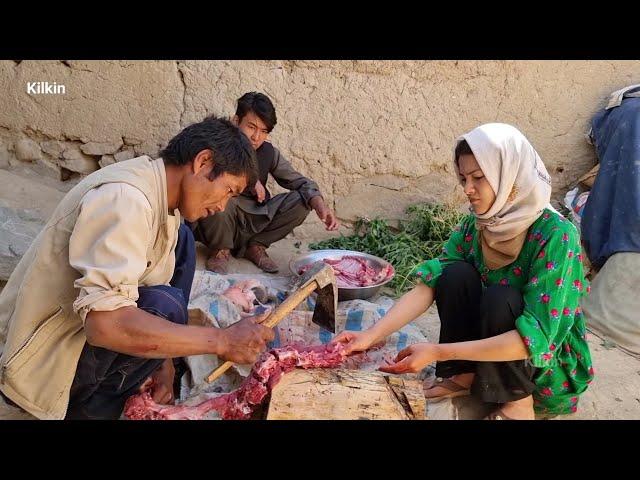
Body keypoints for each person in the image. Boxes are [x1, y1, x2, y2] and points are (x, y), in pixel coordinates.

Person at [0, 115, 275, 420]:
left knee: (181, 250)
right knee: (165, 306)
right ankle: (85, 411)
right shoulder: (126, 199)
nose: (223, 206)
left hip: (73, 336)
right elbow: (105, 324)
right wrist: (221, 341)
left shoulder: (164, 201)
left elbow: (151, 283)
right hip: (38, 363)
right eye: (228, 191)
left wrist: (164, 365)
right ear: (203, 162)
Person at [333, 123, 594, 420]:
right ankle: (464, 376)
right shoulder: (479, 224)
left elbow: (537, 339)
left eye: (479, 178)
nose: (468, 189)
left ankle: (518, 404)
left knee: (501, 298)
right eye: (463, 178)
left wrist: (439, 351)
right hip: (492, 343)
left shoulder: (556, 234)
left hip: (538, 363)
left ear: (510, 176)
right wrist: (371, 335)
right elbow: (431, 284)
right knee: (455, 274)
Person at [192, 92, 339, 274]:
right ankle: (220, 250)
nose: (256, 137)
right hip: (223, 217)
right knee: (217, 196)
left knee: (302, 202)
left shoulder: (269, 153)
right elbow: (200, 179)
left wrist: (320, 205)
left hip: (255, 216)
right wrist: (250, 178)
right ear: (236, 121)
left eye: (264, 131)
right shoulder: (216, 144)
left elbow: (300, 182)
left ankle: (255, 246)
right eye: (251, 127)